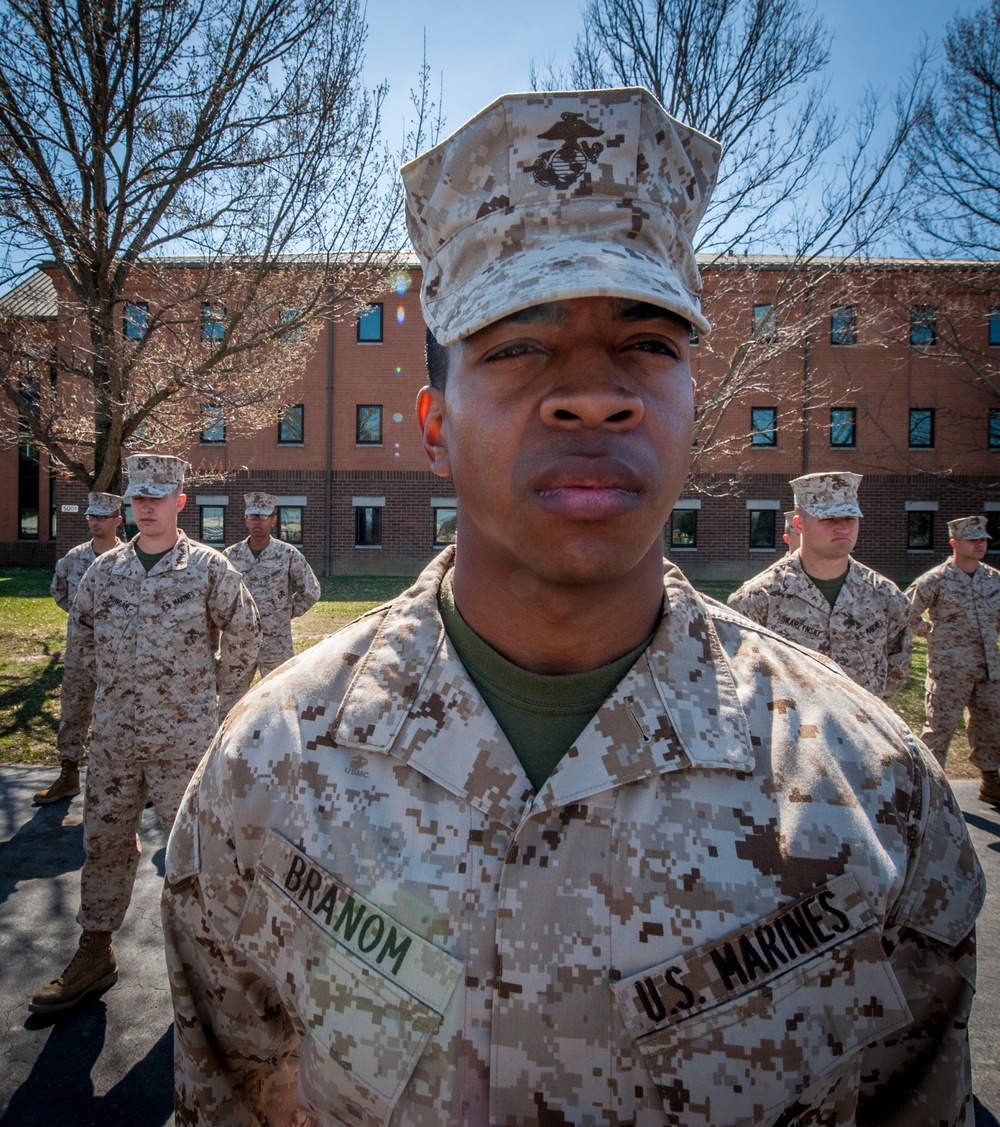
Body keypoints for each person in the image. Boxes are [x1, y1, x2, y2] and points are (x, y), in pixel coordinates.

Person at [162, 88, 982, 1127]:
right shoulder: (265, 769)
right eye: (515, 345)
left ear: (694, 399)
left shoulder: (877, 794)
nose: (593, 393)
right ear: (431, 425)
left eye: (646, 343)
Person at [30, 454, 261, 1015]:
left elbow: (246, 636)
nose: (146, 506)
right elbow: (80, 656)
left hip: (184, 742)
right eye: (138, 497)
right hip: (113, 742)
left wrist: (218, 710)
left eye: (158, 496)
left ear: (180, 501)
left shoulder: (208, 569)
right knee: (104, 844)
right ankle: (95, 950)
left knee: (195, 856)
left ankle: (208, 966)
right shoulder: (102, 573)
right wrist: (79, 729)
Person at [728, 472, 912, 700]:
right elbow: (739, 675)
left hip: (864, 729)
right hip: (791, 732)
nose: (842, 528)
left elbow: (897, 662)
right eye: (829, 519)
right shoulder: (758, 599)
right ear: (798, 523)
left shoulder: (886, 596)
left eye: (850, 518)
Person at [33, 492, 124, 806]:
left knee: (121, 715)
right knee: (73, 710)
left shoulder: (131, 560)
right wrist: (86, 625)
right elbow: (60, 593)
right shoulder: (72, 559)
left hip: (120, 653)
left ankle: (123, 782)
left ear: (118, 521)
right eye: (91, 516)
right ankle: (69, 774)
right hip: (79, 653)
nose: (95, 522)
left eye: (102, 517)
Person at [906, 515, 1000, 804]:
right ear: (954, 542)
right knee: (939, 730)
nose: (980, 544)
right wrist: (928, 633)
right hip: (950, 669)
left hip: (988, 668)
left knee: (991, 725)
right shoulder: (936, 579)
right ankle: (929, 789)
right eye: (973, 540)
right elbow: (904, 610)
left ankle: (990, 780)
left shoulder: (993, 579)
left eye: (983, 539)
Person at [223, 492, 320, 676]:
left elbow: (311, 591)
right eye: (252, 516)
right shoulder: (230, 556)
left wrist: (284, 612)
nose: (257, 521)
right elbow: (219, 596)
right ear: (246, 520)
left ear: (273, 521)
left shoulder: (287, 554)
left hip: (276, 642)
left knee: (279, 697)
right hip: (239, 642)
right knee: (232, 699)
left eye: (263, 517)